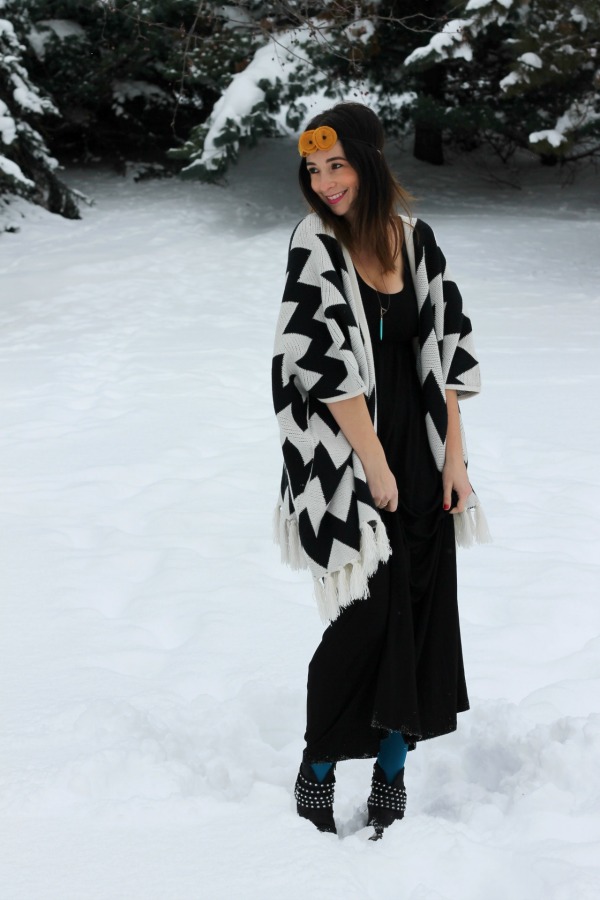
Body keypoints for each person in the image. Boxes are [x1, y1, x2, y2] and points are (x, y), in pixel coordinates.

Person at [271, 102, 489, 839]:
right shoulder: (314, 242)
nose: (325, 183)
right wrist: (375, 465)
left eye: (337, 165)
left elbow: (447, 355)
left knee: (420, 615)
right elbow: (319, 361)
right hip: (350, 458)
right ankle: (319, 767)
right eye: (313, 169)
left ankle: (393, 771)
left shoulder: (415, 240)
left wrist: (454, 460)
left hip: (421, 453)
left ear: (368, 162)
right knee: (364, 619)